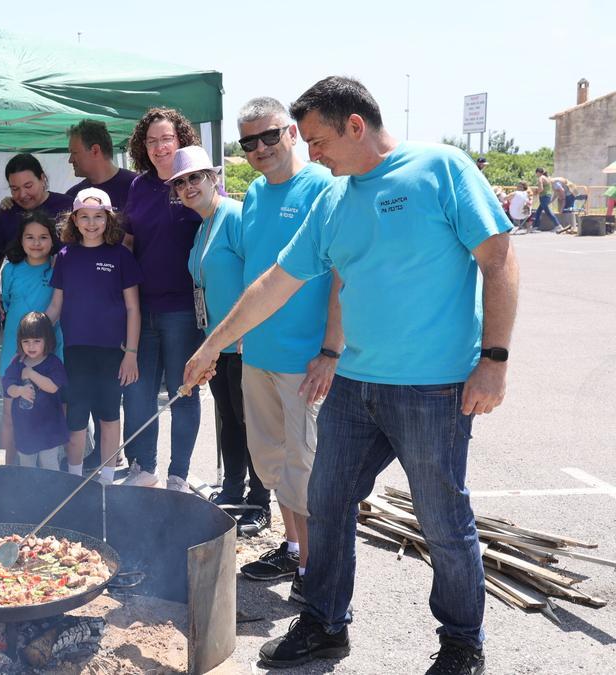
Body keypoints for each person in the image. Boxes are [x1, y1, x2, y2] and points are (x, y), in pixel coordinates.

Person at [183, 76, 518, 675]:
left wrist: (493, 361)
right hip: (355, 387)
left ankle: (463, 642)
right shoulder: (333, 200)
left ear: (355, 125)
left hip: (434, 388)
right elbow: (274, 285)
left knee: (443, 520)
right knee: (327, 501)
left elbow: (498, 258)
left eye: (317, 141)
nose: (313, 154)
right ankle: (323, 623)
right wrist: (213, 345)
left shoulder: (440, 168)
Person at [231, 98, 341, 599]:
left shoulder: (323, 186)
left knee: (307, 473)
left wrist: (331, 351)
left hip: (304, 361)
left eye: (269, 136)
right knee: (273, 465)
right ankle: (296, 552)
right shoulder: (253, 193)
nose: (260, 148)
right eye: (248, 141)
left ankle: (316, 580)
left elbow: (342, 275)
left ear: (291, 133)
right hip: (258, 356)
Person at [172, 146, 267, 528]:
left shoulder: (235, 216)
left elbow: (259, 273)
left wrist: (250, 329)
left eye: (195, 177)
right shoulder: (202, 227)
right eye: (180, 182)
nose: (188, 186)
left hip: (244, 339)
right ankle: (233, 488)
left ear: (214, 178)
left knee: (251, 422)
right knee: (228, 418)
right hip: (218, 342)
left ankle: (260, 500)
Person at [119, 107, 204, 491]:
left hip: (183, 310)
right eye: (151, 141)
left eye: (166, 138)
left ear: (181, 139)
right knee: (137, 394)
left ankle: (179, 475)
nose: (159, 147)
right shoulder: (139, 187)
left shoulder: (195, 182)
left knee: (184, 392)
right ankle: (144, 468)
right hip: (142, 308)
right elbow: (130, 241)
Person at [46, 188, 141, 483]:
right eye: (84, 217)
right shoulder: (64, 256)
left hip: (113, 352)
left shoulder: (121, 256)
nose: (91, 223)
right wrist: (33, 329)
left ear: (108, 218)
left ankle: (107, 480)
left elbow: (133, 308)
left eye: (98, 217)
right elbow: (56, 306)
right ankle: (74, 479)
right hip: (76, 352)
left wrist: (131, 354)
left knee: (110, 417)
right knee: (76, 418)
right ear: (73, 220)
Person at [0, 211, 64, 461]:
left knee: (49, 410)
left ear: (53, 239)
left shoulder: (58, 267)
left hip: (50, 350)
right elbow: (6, 301)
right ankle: (5, 469)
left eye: (43, 237)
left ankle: (52, 471)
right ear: (21, 239)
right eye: (30, 237)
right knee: (9, 412)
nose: (36, 243)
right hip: (15, 351)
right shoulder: (11, 269)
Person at [0, 153, 73, 304]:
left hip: (69, 303)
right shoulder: (4, 217)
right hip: (22, 307)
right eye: (14, 189)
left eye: (28, 186)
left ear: (42, 178)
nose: (22, 194)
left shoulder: (69, 207)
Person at [1, 312, 69, 470]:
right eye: (26, 341)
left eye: (37, 341)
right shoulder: (17, 363)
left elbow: (53, 387)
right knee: (27, 467)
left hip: (49, 428)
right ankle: (29, 493)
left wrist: (31, 374)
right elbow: (7, 386)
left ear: (47, 340)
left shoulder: (53, 363)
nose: (31, 346)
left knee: (50, 465)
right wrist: (19, 390)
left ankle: (55, 494)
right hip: (25, 429)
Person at [65, 119, 138, 209]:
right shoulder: (73, 197)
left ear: (95, 150)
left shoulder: (137, 187)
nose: (70, 160)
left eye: (74, 153)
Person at [532, 167, 561, 231]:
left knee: (548, 212)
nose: (536, 175)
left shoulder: (540, 178)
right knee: (538, 211)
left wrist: (536, 192)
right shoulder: (546, 178)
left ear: (538, 172)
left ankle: (558, 225)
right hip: (547, 196)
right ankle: (535, 226)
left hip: (544, 196)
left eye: (536, 173)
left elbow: (541, 189)